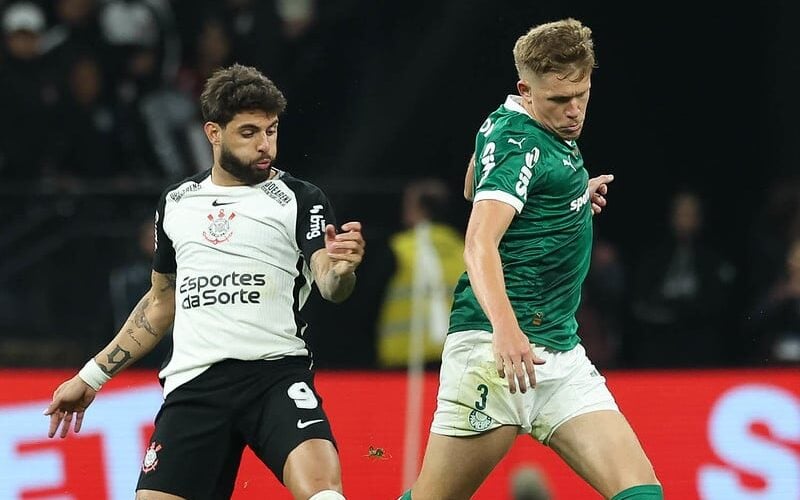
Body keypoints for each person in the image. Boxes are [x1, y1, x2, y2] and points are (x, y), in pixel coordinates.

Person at [44, 63, 364, 500]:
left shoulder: (299, 198)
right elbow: (160, 303)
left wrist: (341, 269)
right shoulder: (176, 204)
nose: (264, 145)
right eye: (248, 133)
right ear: (213, 133)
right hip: (194, 387)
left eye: (271, 131)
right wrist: (92, 376)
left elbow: (329, 282)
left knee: (324, 493)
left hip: (274, 376)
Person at [401, 19, 662, 500]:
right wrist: (505, 329)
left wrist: (569, 200)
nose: (574, 111)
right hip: (495, 350)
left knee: (642, 492)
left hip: (559, 352)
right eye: (559, 101)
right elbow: (478, 242)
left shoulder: (510, 125)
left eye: (581, 94)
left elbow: (470, 186)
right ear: (526, 89)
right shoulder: (520, 143)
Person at [376, 178, 465, 368]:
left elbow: (368, 299)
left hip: (404, 357)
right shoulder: (465, 250)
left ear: (419, 209)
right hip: (454, 356)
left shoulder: (399, 248)